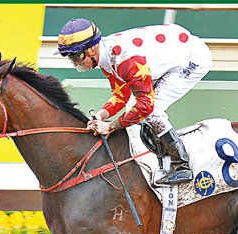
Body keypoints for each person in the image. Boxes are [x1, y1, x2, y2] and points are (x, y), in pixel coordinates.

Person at [56, 18, 212, 186]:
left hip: (192, 59)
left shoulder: (125, 60)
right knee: (133, 108)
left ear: (92, 48)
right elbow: (120, 95)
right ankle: (160, 152)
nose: (76, 63)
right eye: (71, 57)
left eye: (76, 56)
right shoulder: (107, 57)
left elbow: (145, 107)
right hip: (171, 53)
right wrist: (101, 115)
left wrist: (110, 126)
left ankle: (182, 166)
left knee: (153, 111)